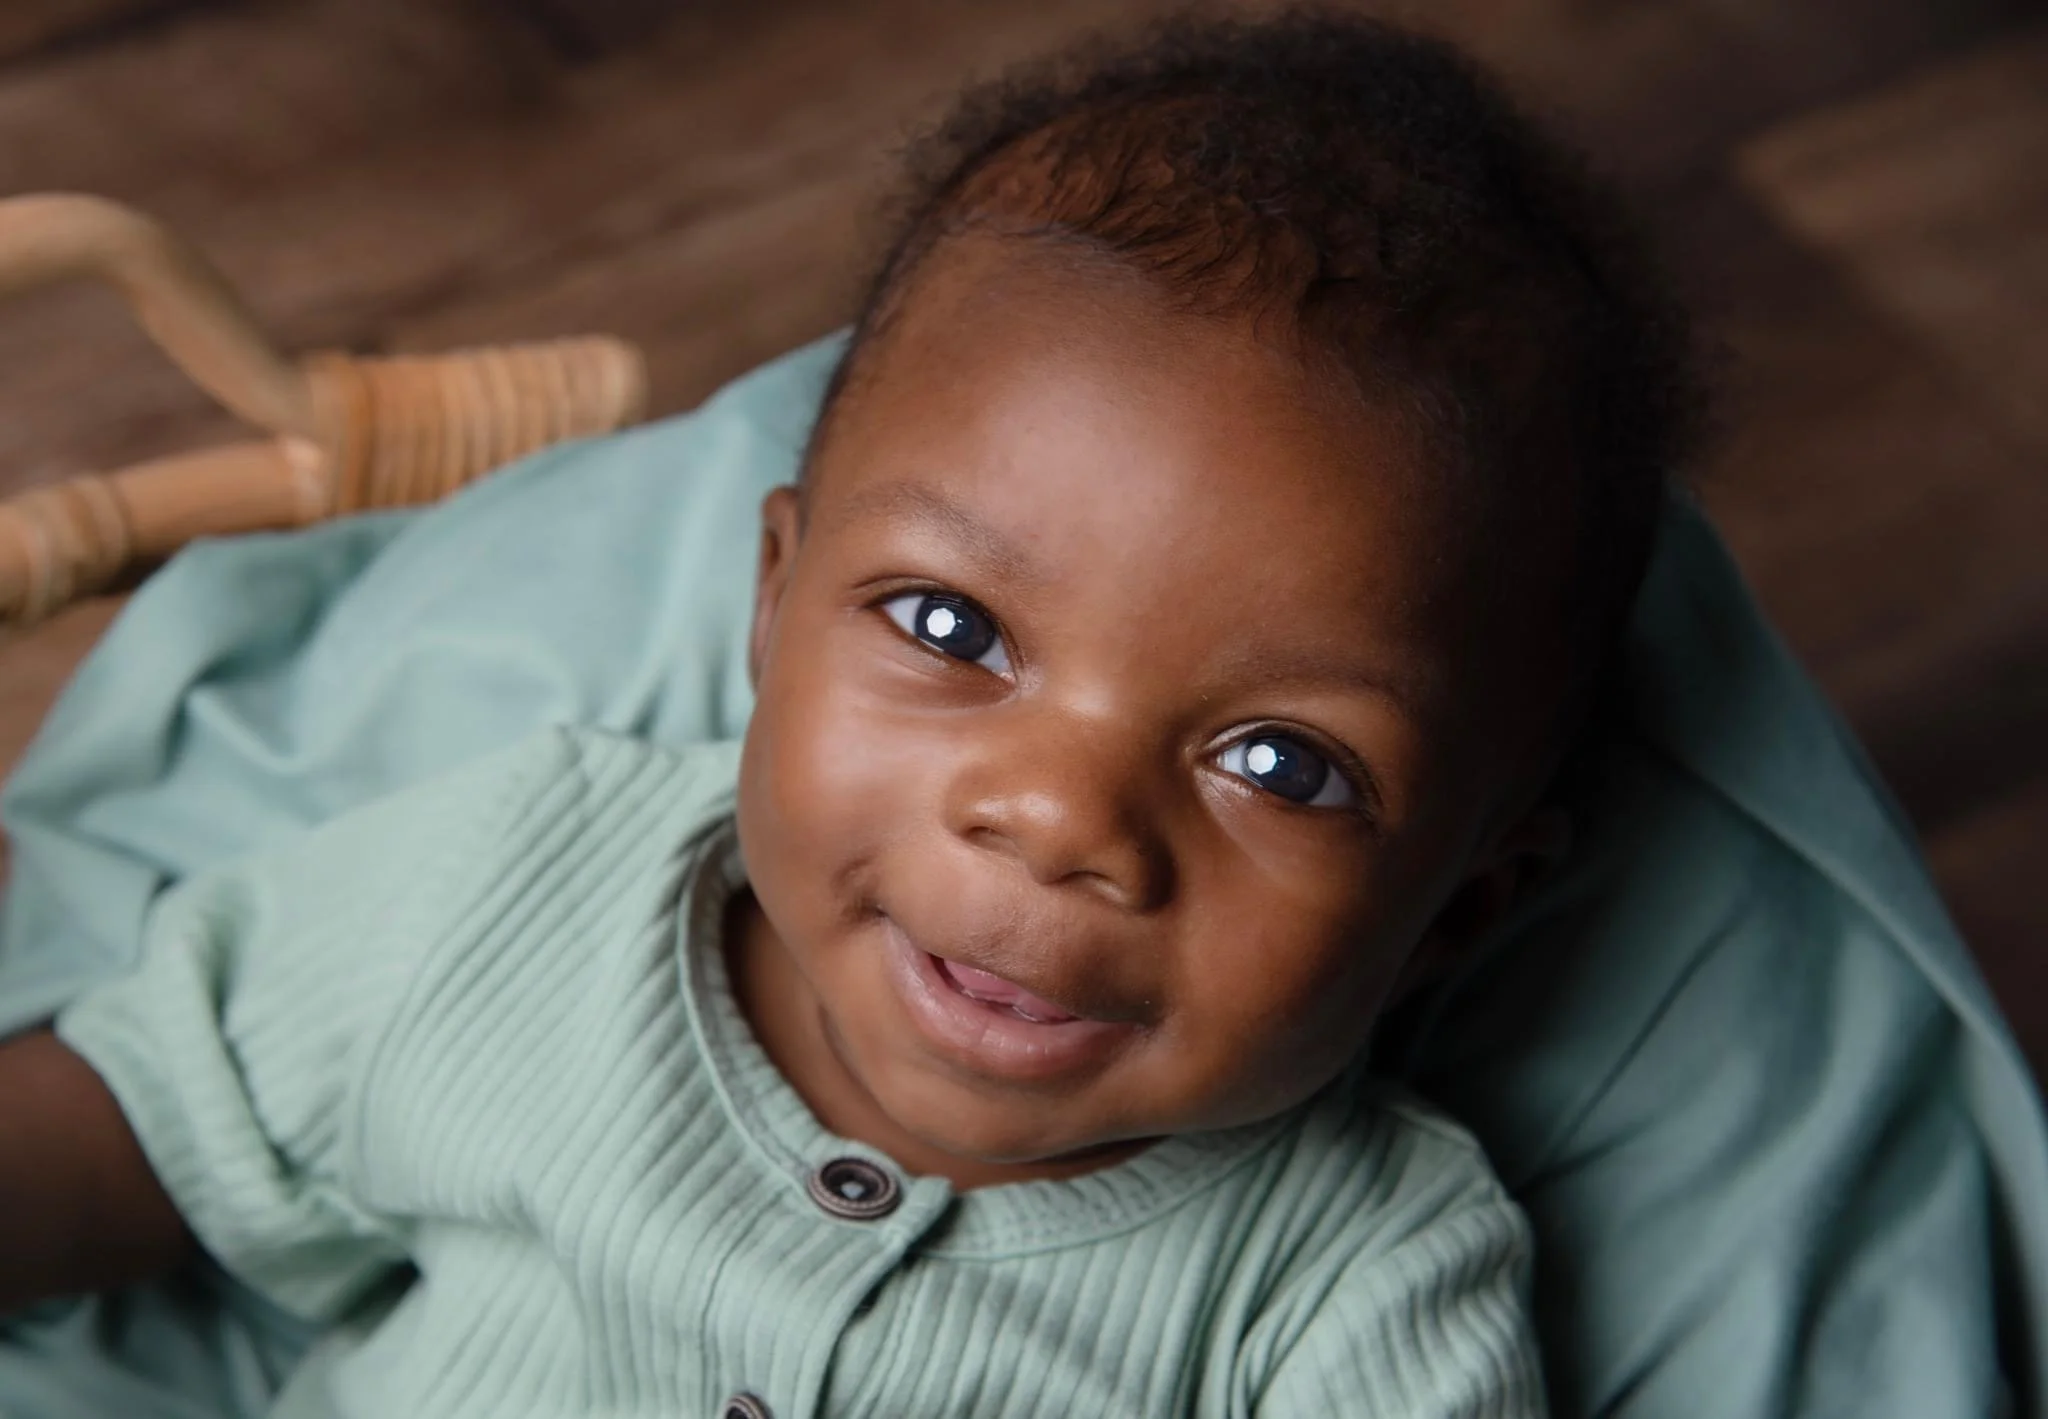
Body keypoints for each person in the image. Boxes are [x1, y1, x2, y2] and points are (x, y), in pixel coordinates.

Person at [1, 10, 1742, 1415]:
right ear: (772, 607)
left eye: (1281, 763)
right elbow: (148, 1116)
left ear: (1461, 904)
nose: (1058, 815)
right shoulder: (526, 891)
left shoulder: (1351, 1296)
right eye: (949, 623)